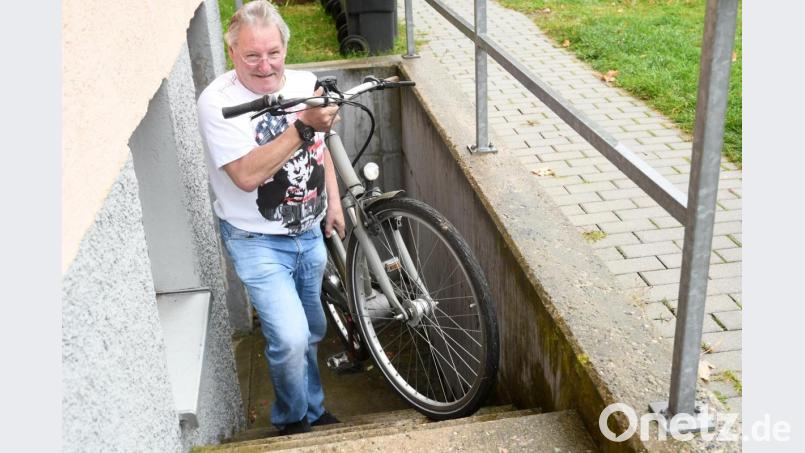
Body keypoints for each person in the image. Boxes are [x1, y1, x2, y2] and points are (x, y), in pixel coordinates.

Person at [196, 0, 345, 435]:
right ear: (232, 53)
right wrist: (301, 124)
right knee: (290, 338)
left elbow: (320, 150)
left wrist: (332, 202)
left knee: (311, 332)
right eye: (252, 56)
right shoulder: (217, 103)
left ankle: (312, 409)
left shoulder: (304, 82)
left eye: (273, 52)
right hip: (256, 239)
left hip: (310, 232)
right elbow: (246, 176)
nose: (265, 66)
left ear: (285, 46)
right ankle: (292, 419)